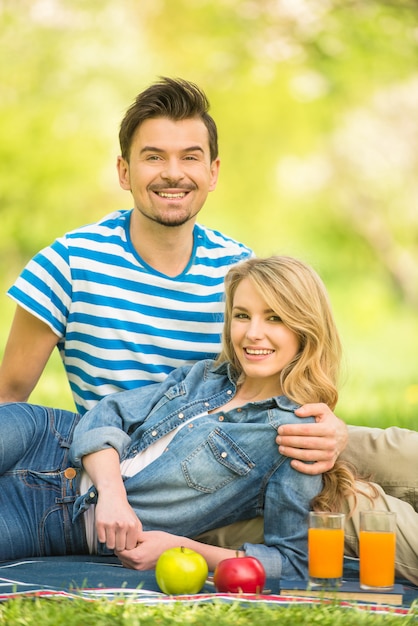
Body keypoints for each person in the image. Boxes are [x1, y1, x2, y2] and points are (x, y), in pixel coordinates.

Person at [0, 76, 348, 476]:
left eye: (190, 157)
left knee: (395, 454)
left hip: (228, 463)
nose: (172, 173)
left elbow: (287, 384)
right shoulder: (68, 264)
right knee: (359, 508)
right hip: (119, 473)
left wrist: (333, 429)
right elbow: (9, 400)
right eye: (153, 157)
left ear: (212, 172)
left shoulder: (237, 269)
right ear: (124, 171)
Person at [0, 256, 417, 585]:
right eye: (242, 315)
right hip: (44, 437)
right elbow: (103, 415)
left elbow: (292, 562)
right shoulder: (204, 375)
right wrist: (112, 494)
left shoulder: (294, 437)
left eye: (274, 318)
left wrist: (180, 548)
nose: (253, 333)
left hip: (53, 519)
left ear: (305, 330)